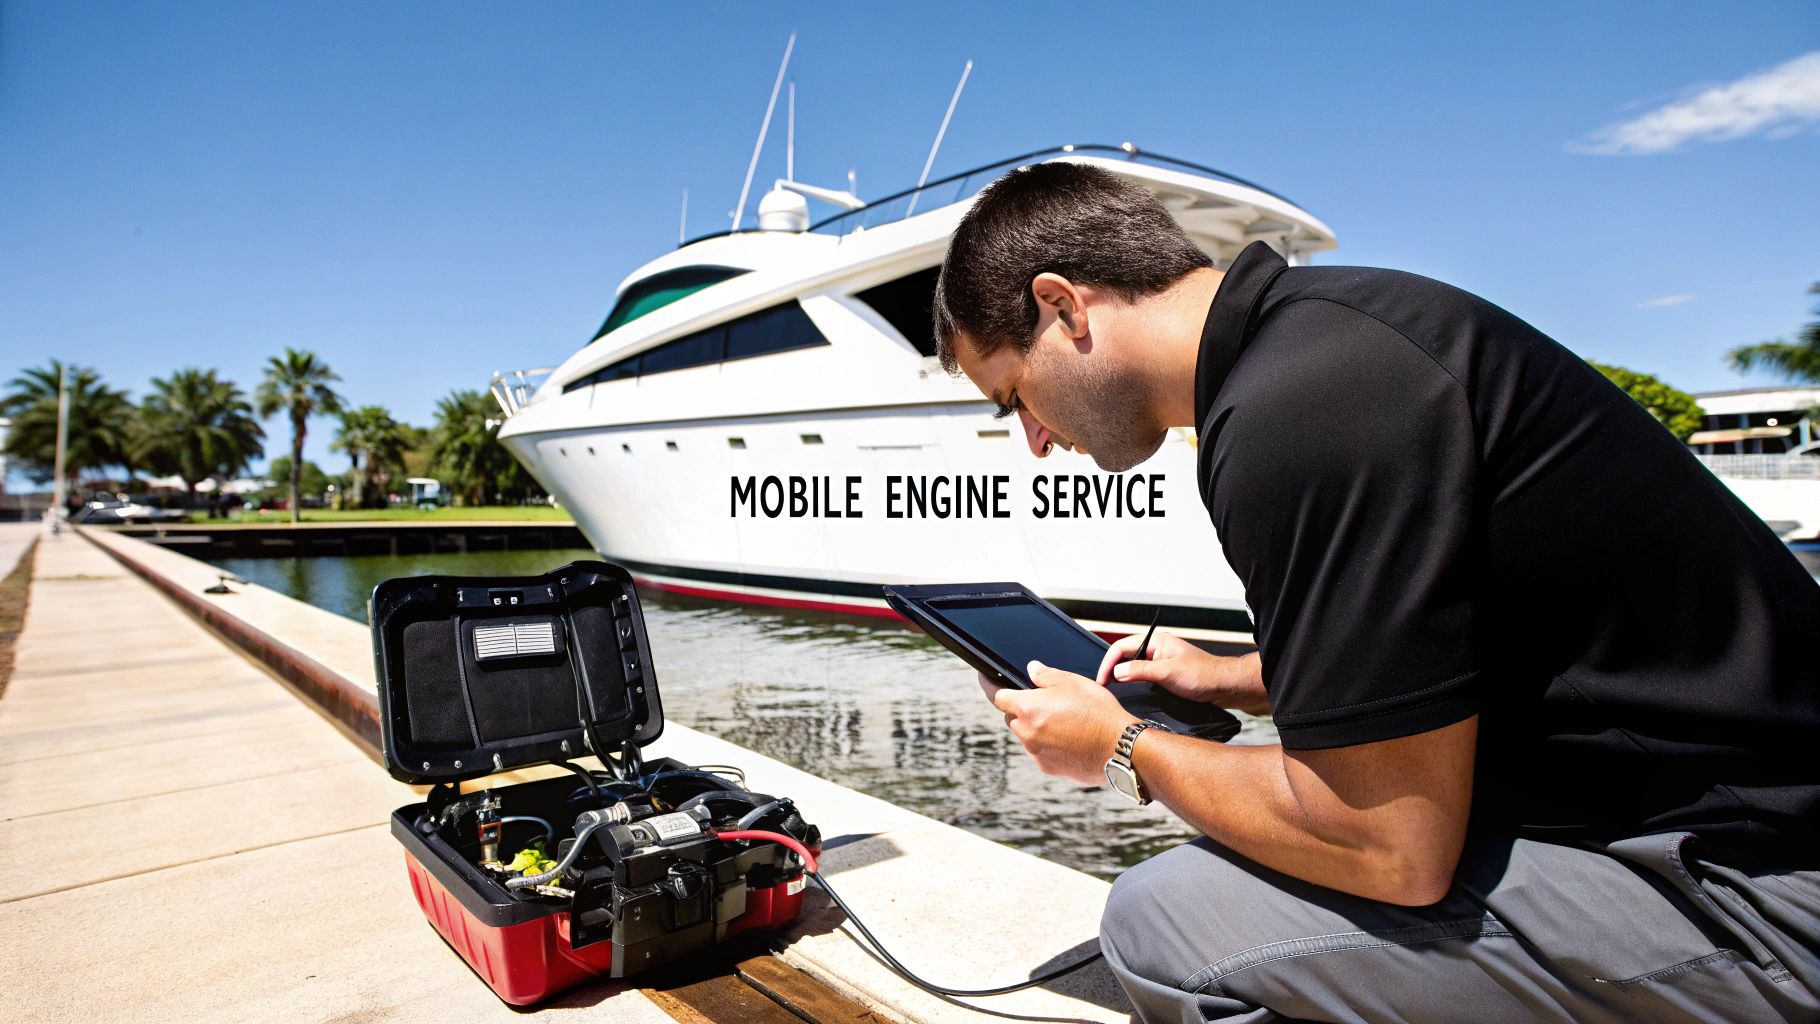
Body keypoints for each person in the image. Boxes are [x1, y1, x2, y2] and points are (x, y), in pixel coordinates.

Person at [932, 161, 1820, 1022]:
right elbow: (1498, 646)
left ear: (1062, 306)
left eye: (1015, 396)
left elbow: (1387, 849)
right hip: (1745, 826)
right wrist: (1238, 678)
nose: (1036, 442)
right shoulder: (1337, 333)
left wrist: (1122, 749)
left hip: (1765, 890)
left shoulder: (1299, 415)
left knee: (1166, 921)